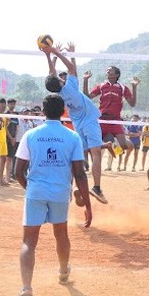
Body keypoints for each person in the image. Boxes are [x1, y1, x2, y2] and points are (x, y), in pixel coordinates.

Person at [14, 94, 92, 296]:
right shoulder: (72, 136)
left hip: (36, 191)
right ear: (63, 111)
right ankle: (63, 270)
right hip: (59, 192)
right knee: (61, 233)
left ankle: (26, 289)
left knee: (29, 241)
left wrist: (31, 189)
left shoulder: (31, 134)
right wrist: (88, 205)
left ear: (43, 111)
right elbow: (80, 173)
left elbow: (18, 171)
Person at [42, 44, 107, 204]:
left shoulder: (58, 95)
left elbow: (52, 75)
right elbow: (70, 67)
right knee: (96, 153)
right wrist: (58, 52)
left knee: (78, 158)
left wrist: (49, 56)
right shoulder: (70, 86)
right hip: (90, 120)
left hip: (78, 124)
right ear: (60, 81)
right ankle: (96, 188)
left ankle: (70, 190)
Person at [84, 64, 140, 164]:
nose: (108, 72)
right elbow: (87, 97)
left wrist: (134, 87)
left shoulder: (122, 88)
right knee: (91, 147)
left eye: (110, 70)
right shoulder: (101, 86)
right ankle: (107, 145)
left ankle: (114, 143)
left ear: (116, 75)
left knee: (125, 146)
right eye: (107, 70)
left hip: (115, 121)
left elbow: (132, 103)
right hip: (102, 120)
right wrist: (85, 80)